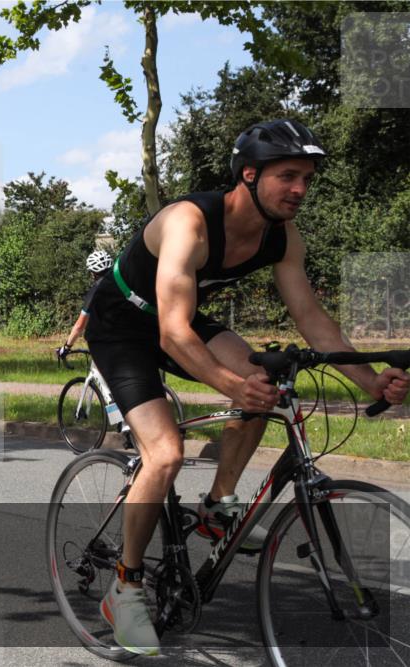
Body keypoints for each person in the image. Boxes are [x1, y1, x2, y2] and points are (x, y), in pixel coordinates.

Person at [83, 119, 409, 655]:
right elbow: (170, 332)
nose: (300, 189)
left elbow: (312, 317)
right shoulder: (189, 221)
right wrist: (233, 384)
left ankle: (217, 504)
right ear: (249, 174)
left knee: (266, 379)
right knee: (164, 455)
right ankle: (126, 586)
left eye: (306, 178)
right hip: (123, 328)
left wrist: (371, 379)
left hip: (181, 323)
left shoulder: (281, 236)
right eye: (288, 176)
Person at [56, 250, 112, 359]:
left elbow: (79, 326)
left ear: (93, 272)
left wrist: (66, 347)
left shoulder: (96, 291)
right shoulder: (123, 285)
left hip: (107, 344)